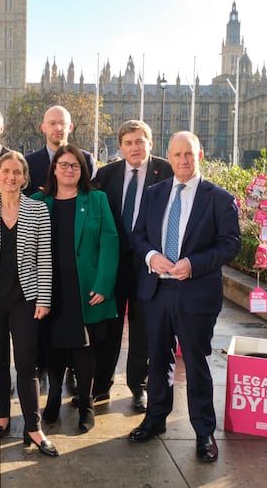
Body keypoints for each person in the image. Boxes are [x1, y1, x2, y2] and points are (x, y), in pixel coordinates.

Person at [128, 131, 241, 463]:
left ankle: (204, 432)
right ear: (169, 155)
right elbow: (138, 236)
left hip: (196, 293)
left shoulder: (219, 198)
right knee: (158, 358)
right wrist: (150, 256)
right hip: (156, 290)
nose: (182, 161)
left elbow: (232, 244)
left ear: (200, 155)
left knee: (195, 361)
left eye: (188, 154)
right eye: (176, 155)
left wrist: (193, 264)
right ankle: (155, 419)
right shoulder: (154, 193)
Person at [0, 152, 59, 457]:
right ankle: (2, 417)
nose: (11, 177)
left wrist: (44, 298)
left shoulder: (38, 211)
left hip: (27, 300)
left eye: (17, 172)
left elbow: (45, 259)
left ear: (24, 177)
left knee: (26, 364)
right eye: (5, 171)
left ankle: (33, 428)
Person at [32, 145, 119, 433]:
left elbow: (110, 242)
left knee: (85, 349)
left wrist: (104, 284)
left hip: (87, 288)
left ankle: (86, 403)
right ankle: (54, 398)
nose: (69, 170)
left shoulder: (96, 200)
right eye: (64, 164)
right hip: (51, 289)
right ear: (54, 168)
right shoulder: (37, 201)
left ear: (82, 171)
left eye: (75, 166)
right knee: (53, 348)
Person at [91, 120, 173, 412]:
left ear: (150, 143)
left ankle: (138, 387)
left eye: (140, 141)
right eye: (128, 143)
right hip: (113, 265)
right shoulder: (105, 174)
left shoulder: (166, 172)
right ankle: (100, 386)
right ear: (120, 147)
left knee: (142, 330)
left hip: (149, 265)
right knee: (107, 328)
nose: (135, 148)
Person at [24, 105, 96, 195]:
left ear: (70, 127)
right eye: (52, 123)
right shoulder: (29, 163)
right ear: (43, 128)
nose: (58, 128)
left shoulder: (85, 159)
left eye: (62, 123)